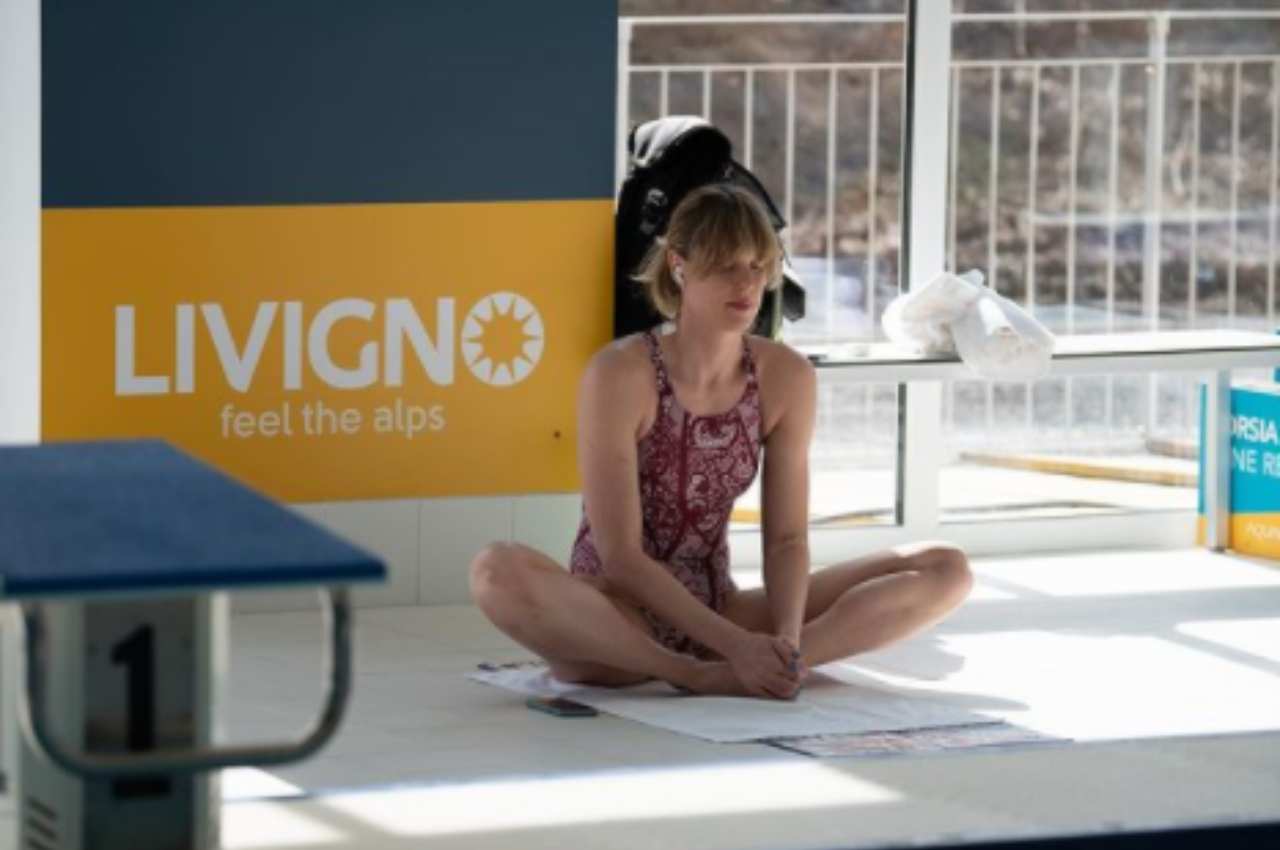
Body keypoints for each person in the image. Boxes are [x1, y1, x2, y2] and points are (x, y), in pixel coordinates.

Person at [470, 184, 973, 699]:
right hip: (617, 622)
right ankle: (691, 673)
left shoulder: (785, 376)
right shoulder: (619, 373)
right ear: (679, 264)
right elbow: (619, 557)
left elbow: (787, 541)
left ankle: (784, 665)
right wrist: (732, 647)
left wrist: (784, 640)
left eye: (757, 265)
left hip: (720, 607)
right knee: (495, 569)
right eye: (727, 266)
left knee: (945, 567)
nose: (747, 283)